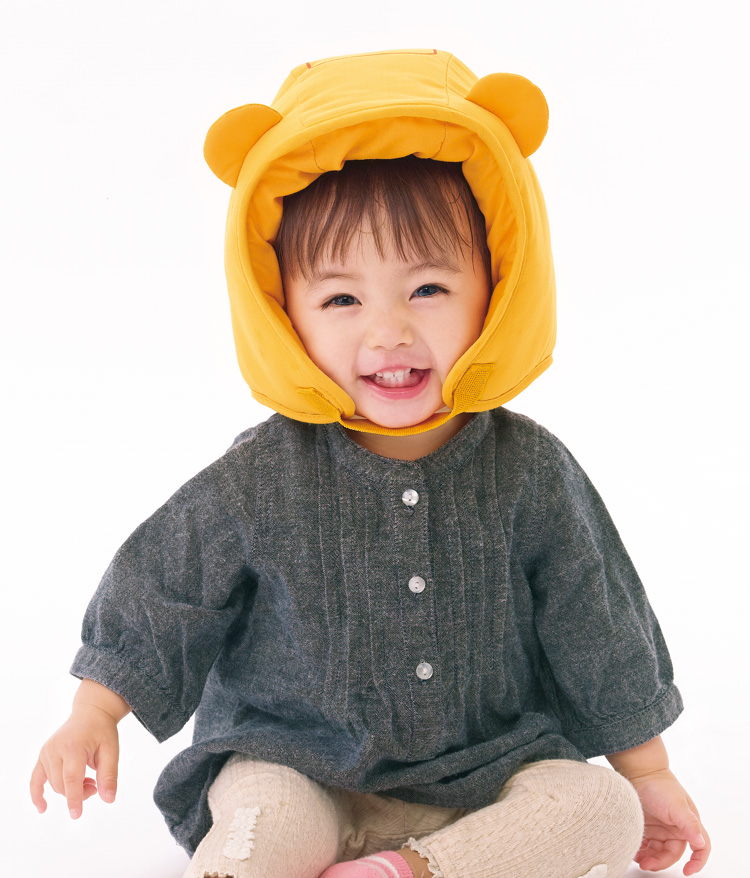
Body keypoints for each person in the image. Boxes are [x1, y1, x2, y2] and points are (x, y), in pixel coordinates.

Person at [30, 49, 711, 878]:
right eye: (342, 299)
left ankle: (408, 869)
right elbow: (165, 586)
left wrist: (650, 774)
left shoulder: (529, 468)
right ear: (285, 315)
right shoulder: (260, 475)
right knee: (261, 813)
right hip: (297, 766)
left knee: (601, 807)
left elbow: (596, 620)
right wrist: (94, 712)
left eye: (427, 289)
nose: (388, 332)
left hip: (484, 782)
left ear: (497, 287)